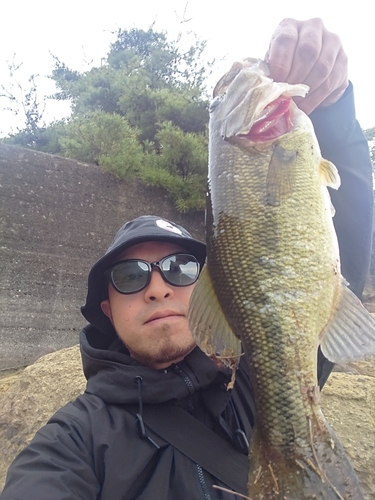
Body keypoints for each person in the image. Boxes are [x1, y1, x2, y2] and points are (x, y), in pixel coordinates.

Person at [0, 18, 373, 500]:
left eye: (180, 268)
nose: (157, 286)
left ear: (213, 289)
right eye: (130, 275)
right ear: (107, 308)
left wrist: (337, 106)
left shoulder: (260, 382)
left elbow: (351, 225)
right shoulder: (72, 443)